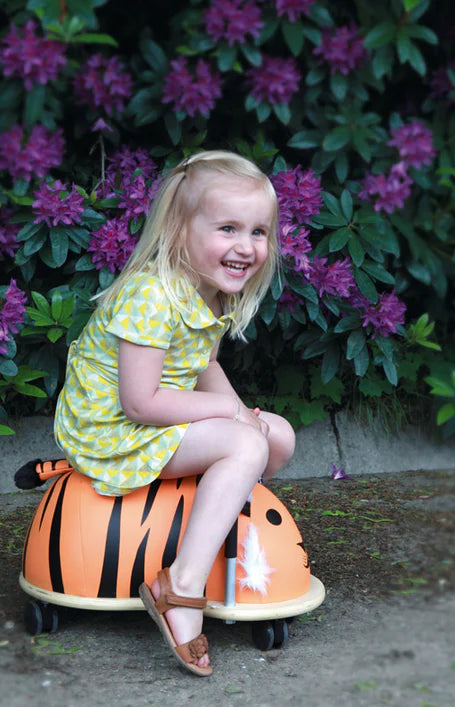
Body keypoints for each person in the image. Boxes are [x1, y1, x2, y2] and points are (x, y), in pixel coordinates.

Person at [52, 150, 296, 676]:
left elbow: (201, 364)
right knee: (248, 441)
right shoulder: (150, 295)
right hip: (113, 431)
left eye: (258, 231)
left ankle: (210, 508)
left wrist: (242, 418)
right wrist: (230, 415)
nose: (246, 246)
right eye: (228, 227)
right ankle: (178, 587)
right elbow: (139, 402)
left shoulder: (205, 294)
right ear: (180, 230)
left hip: (159, 418)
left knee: (277, 437)